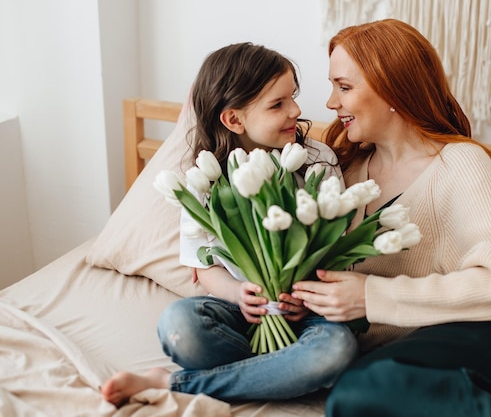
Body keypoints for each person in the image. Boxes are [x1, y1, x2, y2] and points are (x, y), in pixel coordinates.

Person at [291, 19, 491, 417]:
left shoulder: (459, 162)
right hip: (424, 342)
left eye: (344, 87)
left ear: (391, 87)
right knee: (358, 393)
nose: (331, 103)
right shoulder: (341, 173)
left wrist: (369, 297)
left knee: (362, 393)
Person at [101, 42, 357, 406]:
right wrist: (237, 295)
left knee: (336, 351)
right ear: (234, 120)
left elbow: (335, 250)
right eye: (278, 104)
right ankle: (282, 373)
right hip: (239, 310)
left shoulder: (315, 162)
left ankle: (172, 384)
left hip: (305, 313)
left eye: (292, 98)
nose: (297, 111)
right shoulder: (205, 180)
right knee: (179, 327)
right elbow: (204, 267)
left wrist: (307, 299)